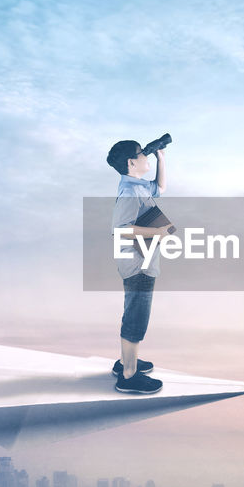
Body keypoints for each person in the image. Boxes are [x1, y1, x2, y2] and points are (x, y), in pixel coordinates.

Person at [106, 139, 169, 394]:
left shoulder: (137, 186)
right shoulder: (131, 192)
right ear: (132, 162)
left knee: (133, 313)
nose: (147, 156)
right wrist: (157, 231)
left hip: (141, 259)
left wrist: (161, 159)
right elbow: (119, 230)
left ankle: (125, 362)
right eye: (144, 154)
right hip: (138, 264)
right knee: (136, 318)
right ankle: (129, 376)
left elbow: (160, 188)